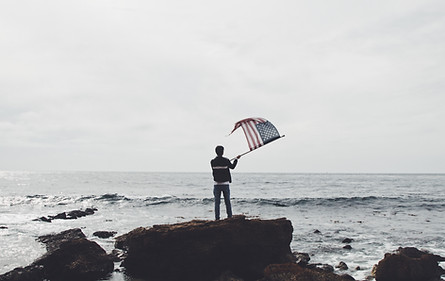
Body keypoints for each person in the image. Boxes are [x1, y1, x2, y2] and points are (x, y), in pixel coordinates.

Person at [210, 145, 240, 220]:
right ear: (222, 152)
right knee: (227, 201)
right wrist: (236, 159)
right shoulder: (226, 160)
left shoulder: (212, 162)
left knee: (217, 203)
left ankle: (217, 218)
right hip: (225, 184)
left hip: (216, 184)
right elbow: (232, 167)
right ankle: (229, 216)